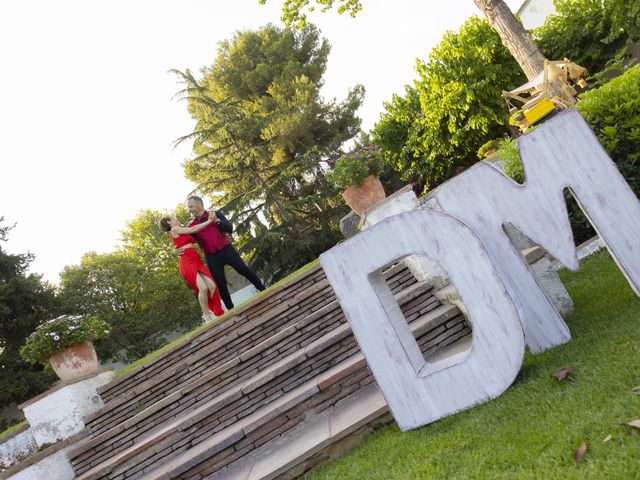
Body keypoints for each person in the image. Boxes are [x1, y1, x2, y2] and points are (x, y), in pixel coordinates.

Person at [176, 196, 265, 310]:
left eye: (191, 206)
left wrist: (216, 220)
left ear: (199, 205)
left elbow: (230, 228)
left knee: (244, 270)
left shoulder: (215, 213)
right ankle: (231, 311)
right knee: (221, 285)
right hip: (212, 257)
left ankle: (263, 290)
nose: (189, 209)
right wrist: (175, 250)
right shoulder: (191, 225)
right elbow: (184, 241)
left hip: (227, 250)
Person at [159, 214, 225, 322]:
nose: (176, 217)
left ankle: (218, 311)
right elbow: (193, 229)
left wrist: (174, 251)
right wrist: (209, 221)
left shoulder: (178, 230)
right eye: (173, 218)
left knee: (212, 286)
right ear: (169, 223)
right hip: (187, 261)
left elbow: (185, 239)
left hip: (196, 259)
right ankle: (206, 314)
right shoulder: (175, 229)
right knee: (203, 288)